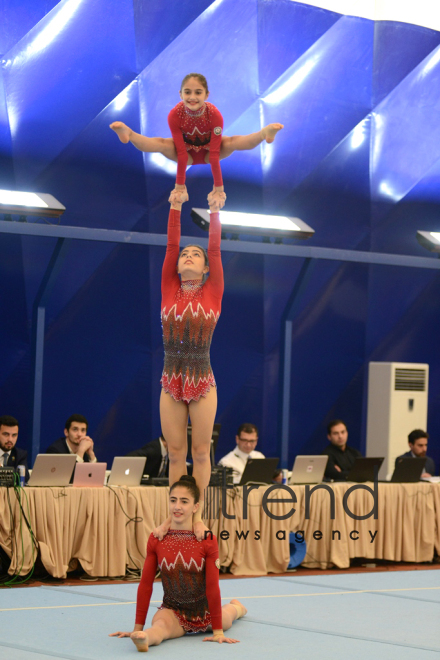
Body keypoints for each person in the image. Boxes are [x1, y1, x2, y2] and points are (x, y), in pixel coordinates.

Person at [154, 189, 223, 541]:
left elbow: (215, 249)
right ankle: (174, 517)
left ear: (206, 268)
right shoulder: (169, 288)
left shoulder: (212, 291)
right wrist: (175, 206)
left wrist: (214, 214)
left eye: (196, 255)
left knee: (200, 450)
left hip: (201, 378)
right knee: (176, 452)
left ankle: (196, 516)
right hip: (171, 379)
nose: (189, 256)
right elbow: (170, 246)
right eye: (186, 254)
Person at [110, 475, 246, 651]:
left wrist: (218, 632)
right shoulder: (157, 538)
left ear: (195, 506)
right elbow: (145, 585)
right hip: (173, 610)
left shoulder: (206, 539)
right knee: (160, 627)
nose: (177, 506)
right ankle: (144, 639)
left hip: (204, 612)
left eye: (184, 501)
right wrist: (137, 628)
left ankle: (237, 607)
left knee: (228, 618)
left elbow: (212, 586)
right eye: (173, 500)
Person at [110, 72, 283, 206]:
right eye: (188, 92)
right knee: (162, 143)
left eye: (198, 92)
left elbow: (214, 154)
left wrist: (219, 190)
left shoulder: (214, 115)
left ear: (207, 95)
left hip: (210, 152)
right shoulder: (174, 115)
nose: (192, 97)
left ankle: (263, 133)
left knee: (231, 142)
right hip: (185, 153)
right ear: (180, 94)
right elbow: (182, 154)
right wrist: (179, 187)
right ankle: (130, 134)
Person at [0, 415, 29, 481]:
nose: (10, 439)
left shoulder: (20, 454)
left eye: (14, 435)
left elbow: (25, 477)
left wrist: (1, 469)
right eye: (6, 434)